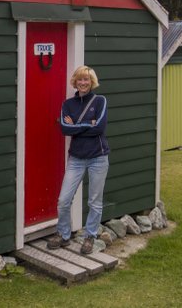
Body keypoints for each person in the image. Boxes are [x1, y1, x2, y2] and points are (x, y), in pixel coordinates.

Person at [47, 65, 110, 255]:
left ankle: (90, 236)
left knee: (94, 201)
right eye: (80, 79)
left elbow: (99, 127)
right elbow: (65, 129)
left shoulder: (100, 101)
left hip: (98, 158)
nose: (83, 83)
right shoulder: (68, 104)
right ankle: (64, 235)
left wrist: (77, 124)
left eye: (87, 80)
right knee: (63, 200)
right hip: (76, 158)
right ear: (75, 82)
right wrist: (86, 124)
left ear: (92, 82)